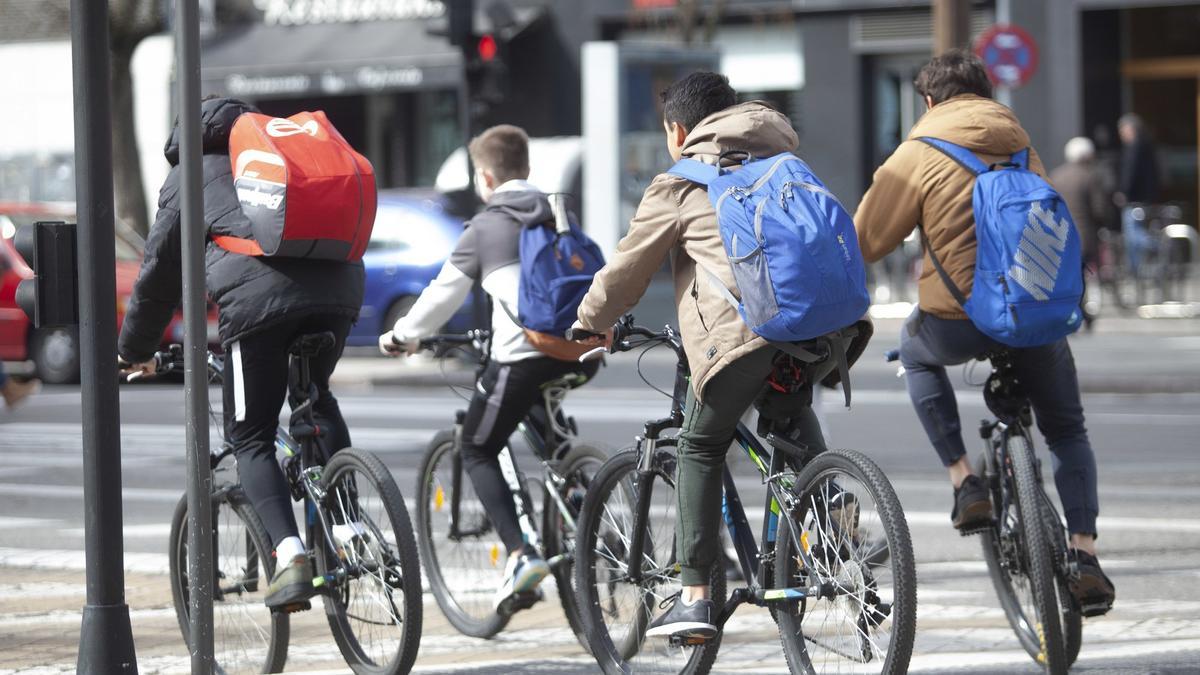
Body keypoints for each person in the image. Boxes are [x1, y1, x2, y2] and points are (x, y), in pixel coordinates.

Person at [569, 72, 840, 639]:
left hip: (742, 336)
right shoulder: (785, 162)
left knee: (698, 444)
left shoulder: (681, 181)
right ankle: (834, 514)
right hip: (827, 328)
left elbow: (627, 270)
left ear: (678, 130)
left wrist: (589, 322)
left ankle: (693, 595)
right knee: (787, 408)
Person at [854, 50, 1115, 614]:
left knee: (914, 354)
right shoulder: (1021, 144)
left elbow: (868, 240)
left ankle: (965, 479)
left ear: (927, 101)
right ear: (984, 93)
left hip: (957, 322)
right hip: (1034, 315)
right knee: (1068, 431)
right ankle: (1085, 553)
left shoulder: (917, 153)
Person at [117, 97, 365, 609]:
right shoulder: (276, 154)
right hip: (340, 291)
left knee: (249, 435)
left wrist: (135, 350)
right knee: (316, 400)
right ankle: (350, 528)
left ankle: (290, 556)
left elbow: (158, 279)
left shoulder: (188, 177)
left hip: (259, 307)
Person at [378, 124, 599, 611]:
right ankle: (583, 493)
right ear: (526, 169)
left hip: (523, 358)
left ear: (484, 177)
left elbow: (441, 295)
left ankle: (521, 556)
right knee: (545, 427)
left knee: (476, 446)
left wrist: (402, 336)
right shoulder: (559, 212)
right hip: (582, 355)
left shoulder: (485, 227)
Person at [1051, 136, 1109, 329]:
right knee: (1081, 276)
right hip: (1084, 235)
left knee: (1067, 276)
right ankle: (1080, 312)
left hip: (1059, 235)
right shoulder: (1090, 176)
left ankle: (1071, 312)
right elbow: (1099, 209)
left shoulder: (1056, 175)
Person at [1115, 113, 1161, 273]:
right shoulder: (1147, 145)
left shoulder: (1134, 148)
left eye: (1123, 130)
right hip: (1145, 198)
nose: (1121, 134)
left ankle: (1157, 249)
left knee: (1133, 235)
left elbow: (1130, 173)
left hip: (1134, 199)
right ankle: (1140, 267)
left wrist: (1123, 192)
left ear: (1131, 129)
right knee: (1136, 232)